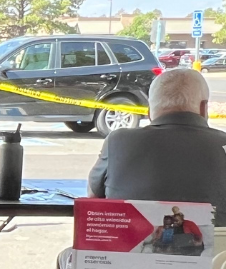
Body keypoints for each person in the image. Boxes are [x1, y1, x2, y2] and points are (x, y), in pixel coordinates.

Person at [87, 67, 226, 227]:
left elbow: (92, 197)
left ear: (149, 112)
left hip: (130, 250)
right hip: (218, 251)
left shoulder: (118, 140)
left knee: (66, 254)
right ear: (203, 108)